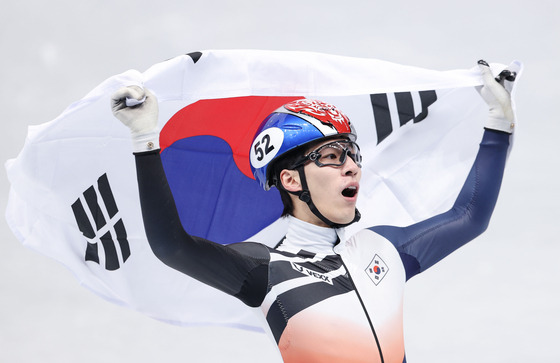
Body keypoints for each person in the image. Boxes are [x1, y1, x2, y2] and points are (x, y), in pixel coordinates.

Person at [111, 60, 516, 363]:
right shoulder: (266, 268)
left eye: (353, 154)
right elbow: (172, 247)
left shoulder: (383, 248)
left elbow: (469, 215)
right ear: (291, 181)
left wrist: (499, 122)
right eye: (332, 156)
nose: (353, 165)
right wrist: (145, 139)